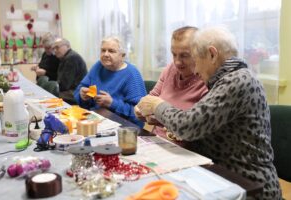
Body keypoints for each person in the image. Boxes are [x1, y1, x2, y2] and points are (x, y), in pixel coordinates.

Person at [136, 26, 282, 199]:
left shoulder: (238, 81)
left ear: (212, 55)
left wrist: (157, 105)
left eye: (196, 61)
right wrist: (160, 120)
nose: (195, 70)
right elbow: (203, 126)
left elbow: (188, 126)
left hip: (250, 186)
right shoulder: (226, 79)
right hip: (222, 178)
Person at [136, 26, 208, 139]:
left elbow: (196, 127)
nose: (177, 62)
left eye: (184, 55)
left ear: (198, 53)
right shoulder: (170, 69)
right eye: (174, 54)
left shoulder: (207, 80)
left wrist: (159, 117)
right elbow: (152, 97)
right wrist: (141, 109)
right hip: (157, 139)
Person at [74, 36, 146, 127]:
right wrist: (82, 96)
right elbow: (78, 91)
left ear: (122, 56)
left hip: (124, 127)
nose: (106, 54)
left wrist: (112, 103)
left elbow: (140, 113)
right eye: (103, 50)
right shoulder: (98, 66)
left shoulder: (131, 74)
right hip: (98, 120)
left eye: (111, 51)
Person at [53, 38, 87, 104]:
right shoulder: (66, 57)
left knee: (53, 94)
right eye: (54, 48)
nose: (55, 51)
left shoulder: (71, 58)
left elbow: (64, 85)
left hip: (77, 91)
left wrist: (54, 87)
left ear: (67, 46)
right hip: (73, 90)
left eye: (57, 47)